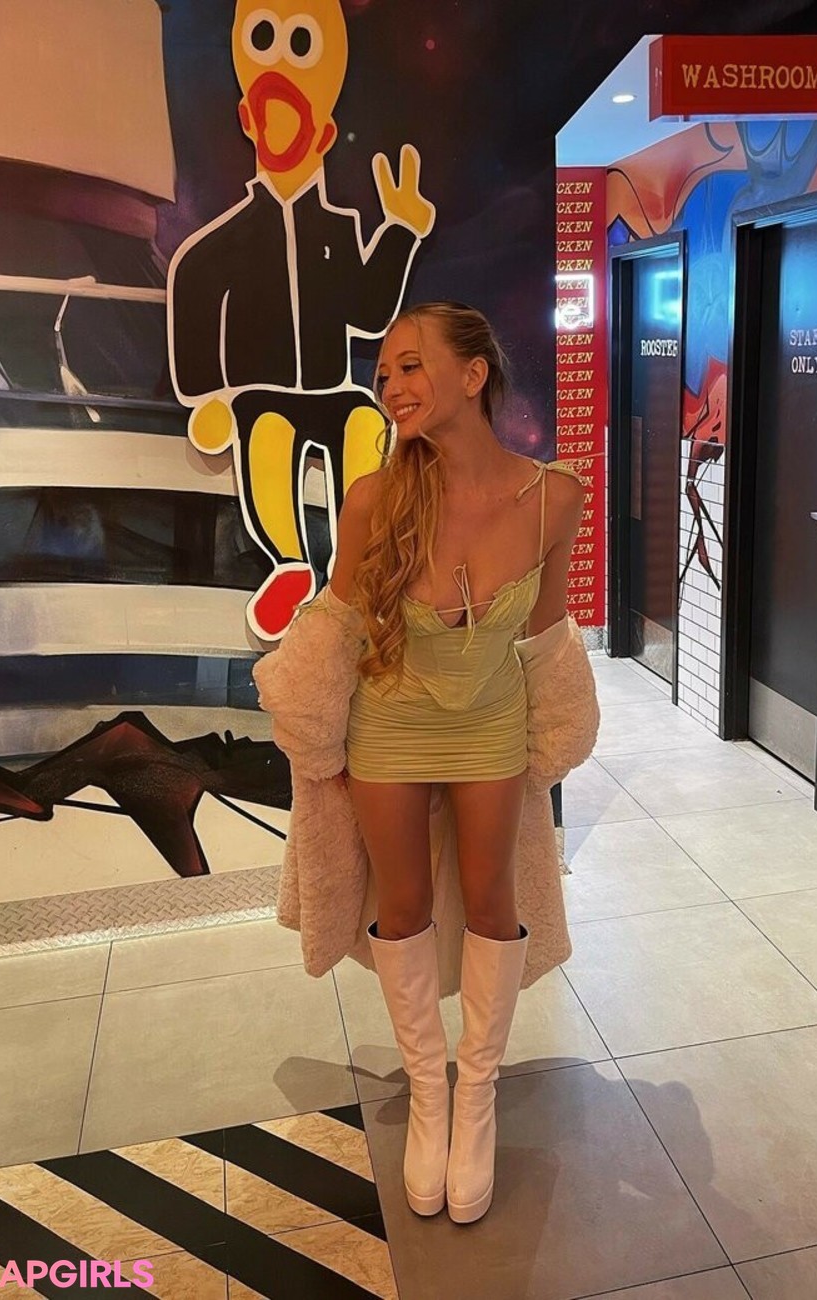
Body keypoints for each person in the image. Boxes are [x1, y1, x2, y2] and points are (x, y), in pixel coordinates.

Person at [255, 301, 598, 1225]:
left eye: (411, 366)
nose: (392, 386)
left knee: (493, 902)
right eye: (385, 374)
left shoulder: (554, 497)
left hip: (490, 725)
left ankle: (476, 1094)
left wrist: (562, 732)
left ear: (474, 374)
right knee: (401, 906)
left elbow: (546, 632)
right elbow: (335, 628)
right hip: (390, 727)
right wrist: (308, 727)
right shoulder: (375, 499)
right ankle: (430, 1093)